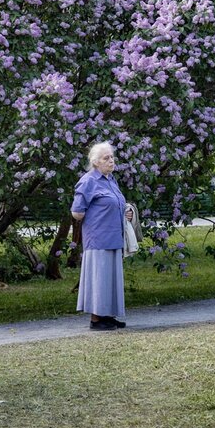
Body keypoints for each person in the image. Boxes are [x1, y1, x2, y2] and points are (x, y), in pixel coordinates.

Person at [71, 142, 134, 331]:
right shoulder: (88, 180)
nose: (111, 160)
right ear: (95, 162)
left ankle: (108, 316)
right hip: (98, 238)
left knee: (110, 279)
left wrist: (126, 211)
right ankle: (96, 319)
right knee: (99, 278)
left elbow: (113, 202)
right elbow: (77, 212)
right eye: (106, 158)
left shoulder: (110, 179)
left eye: (112, 157)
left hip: (114, 236)